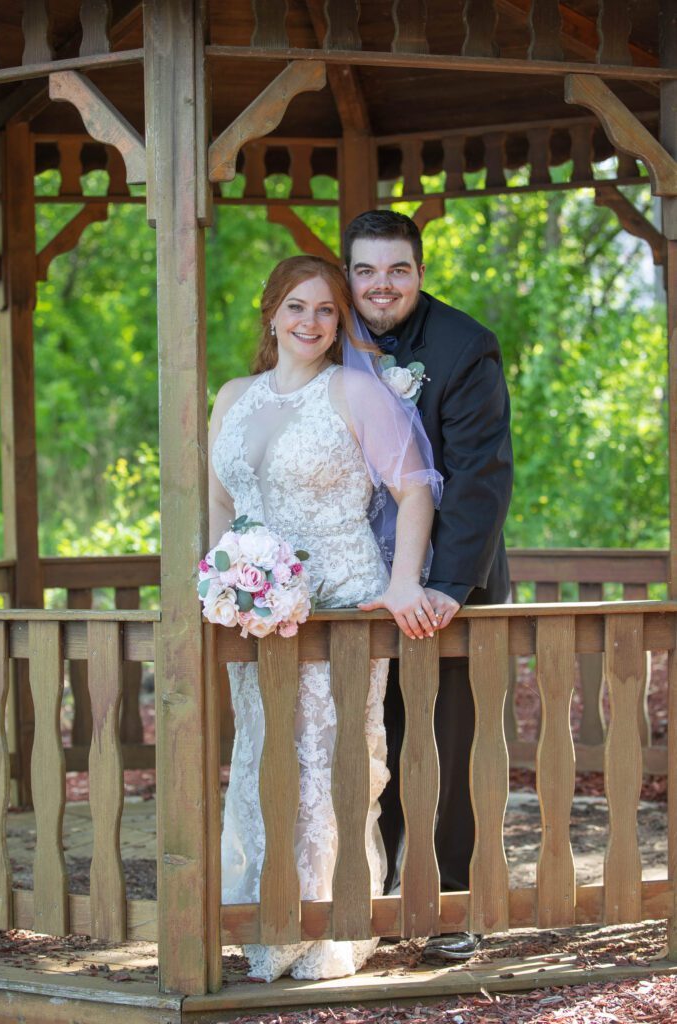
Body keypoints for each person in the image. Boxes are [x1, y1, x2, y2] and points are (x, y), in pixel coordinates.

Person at [208, 255, 441, 982]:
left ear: (340, 324)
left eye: (326, 312)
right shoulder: (232, 396)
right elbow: (220, 503)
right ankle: (262, 910)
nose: (310, 323)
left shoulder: (352, 392)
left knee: (326, 763)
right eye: (297, 308)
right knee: (260, 756)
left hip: (340, 601)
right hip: (255, 611)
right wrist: (217, 579)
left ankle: (325, 923)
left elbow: (415, 491)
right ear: (270, 311)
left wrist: (403, 582)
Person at [345, 210, 513, 961]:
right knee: (362, 746)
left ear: (419, 272)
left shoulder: (464, 347)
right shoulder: (328, 334)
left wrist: (444, 586)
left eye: (397, 270)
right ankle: (367, 896)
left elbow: (480, 476)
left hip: (450, 596)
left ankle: (453, 911)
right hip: (352, 589)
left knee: (444, 751)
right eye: (365, 271)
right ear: (349, 275)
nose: (381, 286)